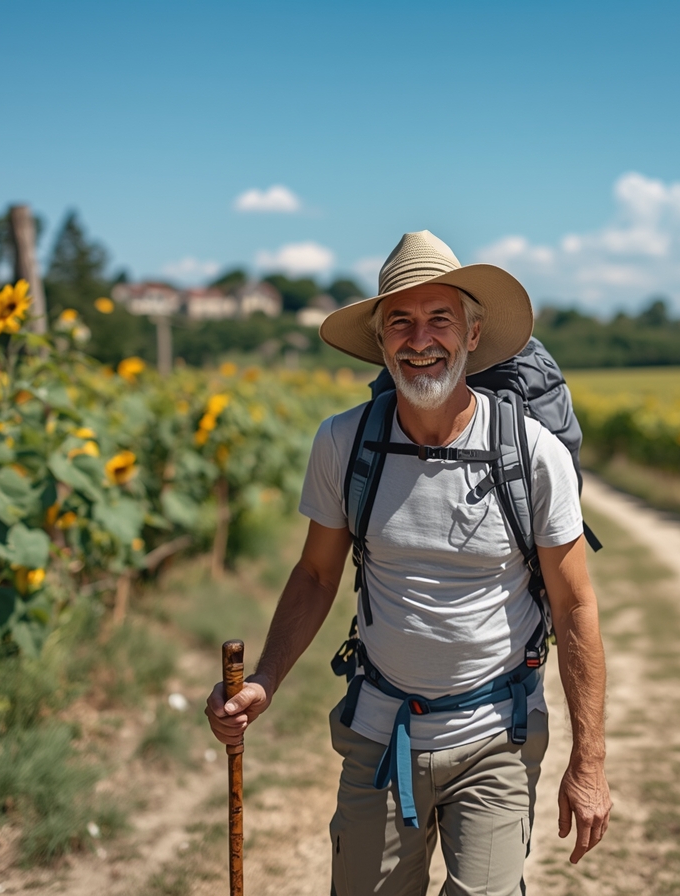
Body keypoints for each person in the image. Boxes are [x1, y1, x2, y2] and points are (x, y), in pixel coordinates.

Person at [206, 230, 611, 895]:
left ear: (473, 334)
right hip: (378, 735)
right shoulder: (345, 441)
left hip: (498, 736)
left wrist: (588, 762)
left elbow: (575, 607)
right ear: (381, 340)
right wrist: (266, 680)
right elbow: (315, 575)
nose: (420, 339)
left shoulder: (532, 454)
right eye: (400, 321)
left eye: (439, 319)